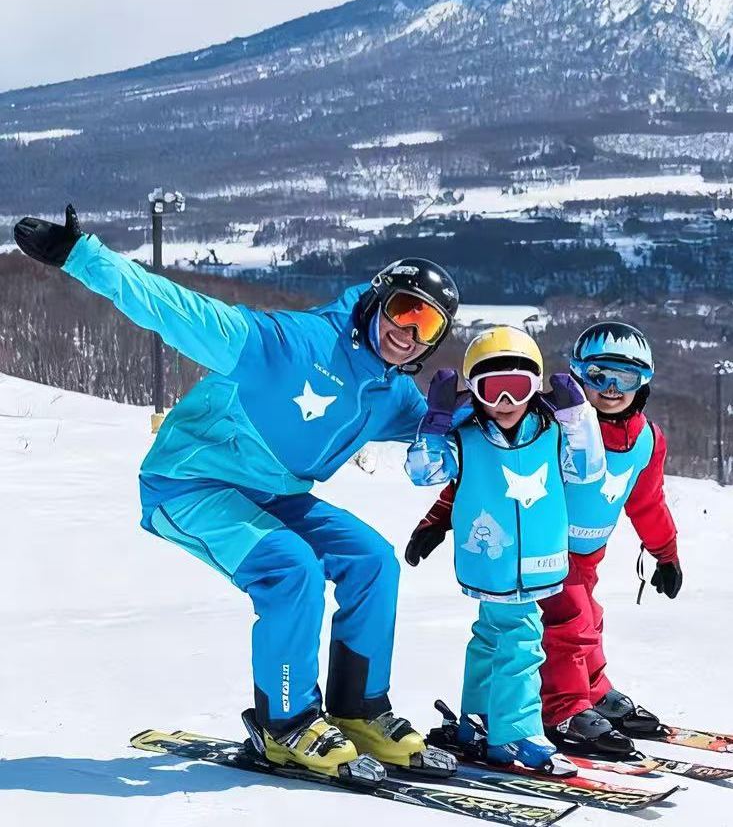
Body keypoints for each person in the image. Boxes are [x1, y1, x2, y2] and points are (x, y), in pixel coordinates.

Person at [12, 205, 459, 778]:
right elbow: (175, 310)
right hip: (190, 482)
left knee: (371, 560)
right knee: (290, 568)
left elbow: (445, 427)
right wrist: (83, 256)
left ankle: (359, 710)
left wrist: (481, 411)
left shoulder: (389, 392)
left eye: (428, 327)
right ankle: (285, 725)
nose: (408, 332)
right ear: (376, 301)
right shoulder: (289, 344)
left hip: (275, 494)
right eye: (403, 310)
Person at [407, 320, 681, 758]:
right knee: (566, 623)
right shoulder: (553, 425)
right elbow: (482, 483)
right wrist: (437, 520)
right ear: (576, 376)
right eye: (598, 376)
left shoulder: (645, 439)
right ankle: (564, 709)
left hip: (588, 552)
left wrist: (665, 552)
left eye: (624, 378)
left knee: (588, 617)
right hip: (542, 550)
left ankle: (591, 689)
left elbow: (646, 501)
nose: (610, 389)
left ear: (643, 383)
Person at [403, 325, 605, 774]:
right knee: (521, 642)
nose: (507, 404)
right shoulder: (466, 437)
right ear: (474, 391)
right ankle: (513, 735)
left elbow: (589, 470)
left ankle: (481, 719)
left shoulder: (552, 431)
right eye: (494, 391)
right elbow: (425, 475)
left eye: (519, 389)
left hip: (540, 560)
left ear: (536, 388)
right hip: (491, 560)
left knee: (494, 636)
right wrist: (434, 427)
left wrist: (579, 419)